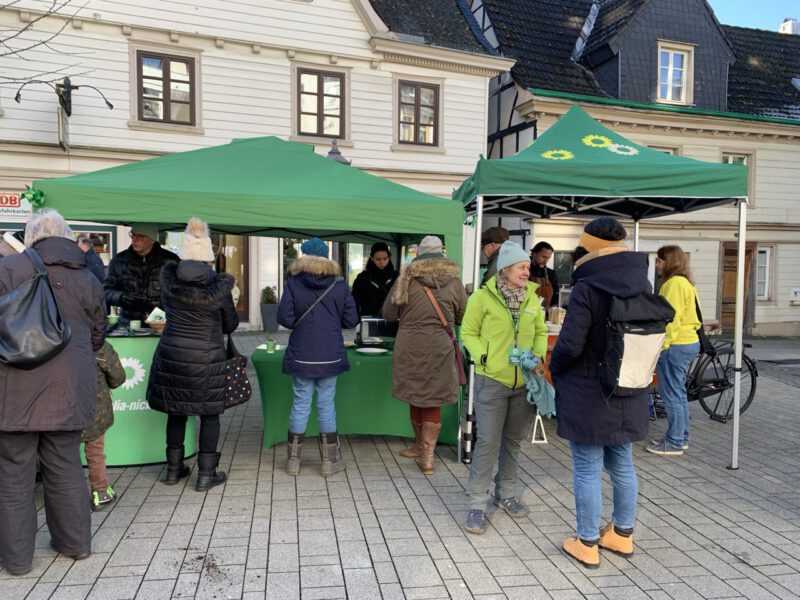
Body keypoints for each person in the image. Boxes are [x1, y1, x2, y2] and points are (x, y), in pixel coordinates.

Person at [0, 209, 106, 575]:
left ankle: (16, 560)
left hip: (13, 389)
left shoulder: (8, 269)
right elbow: (97, 336)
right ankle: (74, 544)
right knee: (65, 466)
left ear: (30, 237)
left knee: (14, 474)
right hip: (68, 389)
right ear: (66, 236)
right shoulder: (88, 277)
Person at [549, 217, 649, 569]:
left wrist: (555, 369)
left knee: (588, 467)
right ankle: (622, 535)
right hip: (629, 385)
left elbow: (571, 343)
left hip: (589, 390)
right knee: (622, 463)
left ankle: (587, 541)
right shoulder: (642, 282)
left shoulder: (588, 287)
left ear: (587, 248)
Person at [461, 241, 547, 534]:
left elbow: (540, 332)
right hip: (491, 381)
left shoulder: (532, 299)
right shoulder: (482, 298)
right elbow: (468, 333)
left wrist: (538, 356)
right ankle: (476, 502)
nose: (527, 271)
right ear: (506, 269)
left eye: (527, 267)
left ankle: (506, 493)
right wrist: (483, 355)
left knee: (513, 441)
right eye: (522, 267)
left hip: (523, 383)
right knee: (487, 443)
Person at [147, 217, 238, 492]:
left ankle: (174, 470)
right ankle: (206, 476)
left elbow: (163, 311)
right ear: (208, 259)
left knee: (176, 412)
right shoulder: (218, 290)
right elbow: (231, 325)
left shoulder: (169, 285)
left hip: (172, 356)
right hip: (207, 360)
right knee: (209, 415)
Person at [382, 236, 467, 475]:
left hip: (410, 343)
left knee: (415, 392)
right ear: (441, 254)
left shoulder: (406, 279)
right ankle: (424, 452)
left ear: (418, 254)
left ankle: (423, 450)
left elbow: (388, 313)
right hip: (440, 343)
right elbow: (463, 316)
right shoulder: (454, 281)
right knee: (432, 395)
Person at [278, 237, 358, 477]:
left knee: (300, 405)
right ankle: (329, 462)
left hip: (302, 353)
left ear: (304, 257)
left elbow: (285, 318)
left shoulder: (293, 283)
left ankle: (293, 462)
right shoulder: (339, 284)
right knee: (326, 405)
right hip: (330, 355)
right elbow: (351, 320)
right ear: (326, 258)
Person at [647, 245, 701, 456]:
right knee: (678, 393)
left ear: (669, 262)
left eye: (660, 261)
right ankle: (682, 437)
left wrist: (662, 345)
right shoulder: (685, 282)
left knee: (671, 394)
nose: (658, 265)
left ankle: (675, 441)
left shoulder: (674, 283)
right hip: (686, 342)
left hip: (676, 344)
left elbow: (672, 318)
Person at [104, 223, 179, 326]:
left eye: (140, 236)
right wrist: (122, 297)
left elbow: (179, 293)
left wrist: (161, 307)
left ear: (152, 239)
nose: (135, 239)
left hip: (161, 325)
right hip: (128, 325)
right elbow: (105, 291)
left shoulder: (171, 261)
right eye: (133, 235)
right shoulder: (118, 260)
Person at [83, 341, 126, 511]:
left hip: (60, 412)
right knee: (95, 451)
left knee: (61, 455)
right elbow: (118, 377)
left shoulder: (53, 340)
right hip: (94, 410)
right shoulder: (99, 346)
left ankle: (62, 497)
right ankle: (100, 493)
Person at [352, 242, 399, 317]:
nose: (382, 262)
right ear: (372, 258)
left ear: (389, 257)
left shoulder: (396, 276)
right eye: (378, 259)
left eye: (385, 259)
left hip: (392, 321)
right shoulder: (362, 277)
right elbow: (354, 302)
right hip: (368, 320)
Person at [529, 241, 559, 310]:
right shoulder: (524, 272)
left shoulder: (551, 274)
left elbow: (555, 296)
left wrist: (552, 311)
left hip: (545, 315)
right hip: (527, 315)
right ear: (534, 254)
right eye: (543, 257)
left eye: (548, 258)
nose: (545, 261)